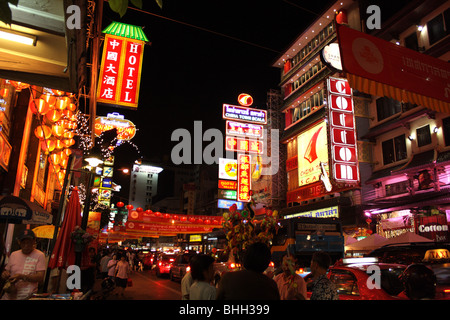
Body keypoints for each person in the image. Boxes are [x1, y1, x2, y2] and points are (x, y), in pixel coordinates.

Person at [1, 229, 46, 300]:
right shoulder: (14, 254)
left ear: (34, 241)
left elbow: (40, 277)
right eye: (23, 243)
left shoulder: (40, 255)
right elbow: (6, 271)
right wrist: (5, 274)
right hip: (9, 297)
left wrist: (22, 276)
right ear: (19, 242)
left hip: (27, 297)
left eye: (29, 243)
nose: (26, 245)